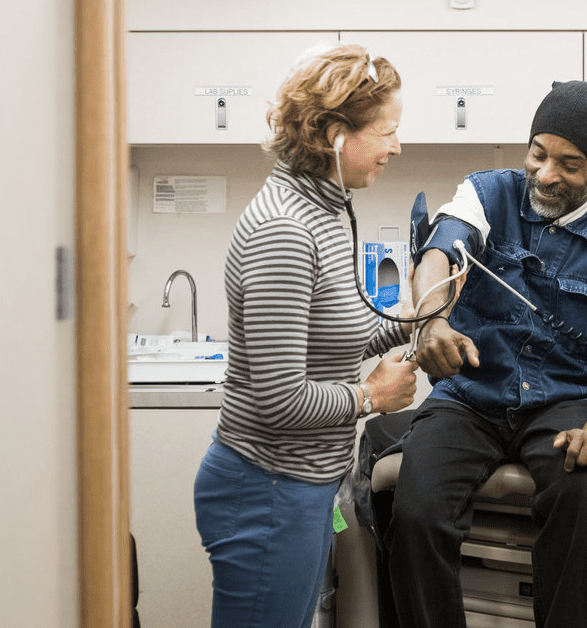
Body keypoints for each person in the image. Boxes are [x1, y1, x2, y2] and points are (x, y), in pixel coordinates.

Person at [388, 80, 587, 628]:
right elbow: (440, 249)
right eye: (538, 154)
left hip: (566, 403)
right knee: (417, 509)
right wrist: (433, 320)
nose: (545, 173)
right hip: (471, 394)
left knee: (584, 492)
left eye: (569, 163)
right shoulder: (485, 192)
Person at [193, 42, 418, 628]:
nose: (397, 146)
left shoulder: (325, 208)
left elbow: (338, 333)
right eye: (387, 131)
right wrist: (373, 398)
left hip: (302, 484)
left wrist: (420, 316)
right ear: (335, 135)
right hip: (266, 489)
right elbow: (279, 399)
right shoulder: (285, 229)